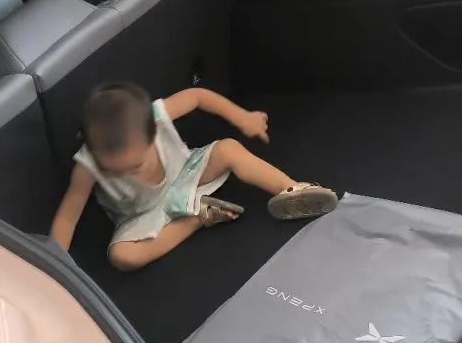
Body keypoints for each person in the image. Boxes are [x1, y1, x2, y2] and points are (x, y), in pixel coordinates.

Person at [49, 82, 339, 271]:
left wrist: (242, 117)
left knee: (228, 149)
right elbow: (67, 218)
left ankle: (292, 189)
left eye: (135, 166)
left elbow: (197, 96)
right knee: (122, 257)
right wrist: (53, 264)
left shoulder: (156, 115)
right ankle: (197, 218)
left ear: (154, 130)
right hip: (143, 215)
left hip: (187, 174)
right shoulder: (87, 166)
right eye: (114, 171)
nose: (126, 175)